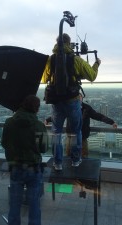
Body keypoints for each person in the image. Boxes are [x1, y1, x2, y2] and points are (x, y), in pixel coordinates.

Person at [42, 33, 101, 170]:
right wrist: (96, 64)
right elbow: (92, 76)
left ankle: (57, 163)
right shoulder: (75, 60)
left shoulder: (51, 59)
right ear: (69, 44)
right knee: (75, 131)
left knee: (56, 132)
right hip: (73, 100)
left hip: (56, 101)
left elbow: (44, 80)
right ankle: (75, 160)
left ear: (57, 43)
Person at [1, 95, 48, 225]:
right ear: (36, 108)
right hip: (33, 168)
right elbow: (43, 148)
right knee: (34, 205)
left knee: (14, 205)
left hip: (16, 166)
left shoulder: (9, 122)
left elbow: (4, 143)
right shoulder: (38, 126)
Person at [45, 94, 118, 158]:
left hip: (82, 137)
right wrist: (48, 120)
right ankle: (71, 171)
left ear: (82, 98)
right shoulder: (70, 107)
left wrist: (111, 122)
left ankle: (81, 170)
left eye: (79, 97)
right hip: (71, 136)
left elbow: (98, 116)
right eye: (77, 98)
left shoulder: (86, 108)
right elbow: (59, 116)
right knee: (69, 155)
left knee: (83, 156)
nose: (78, 99)